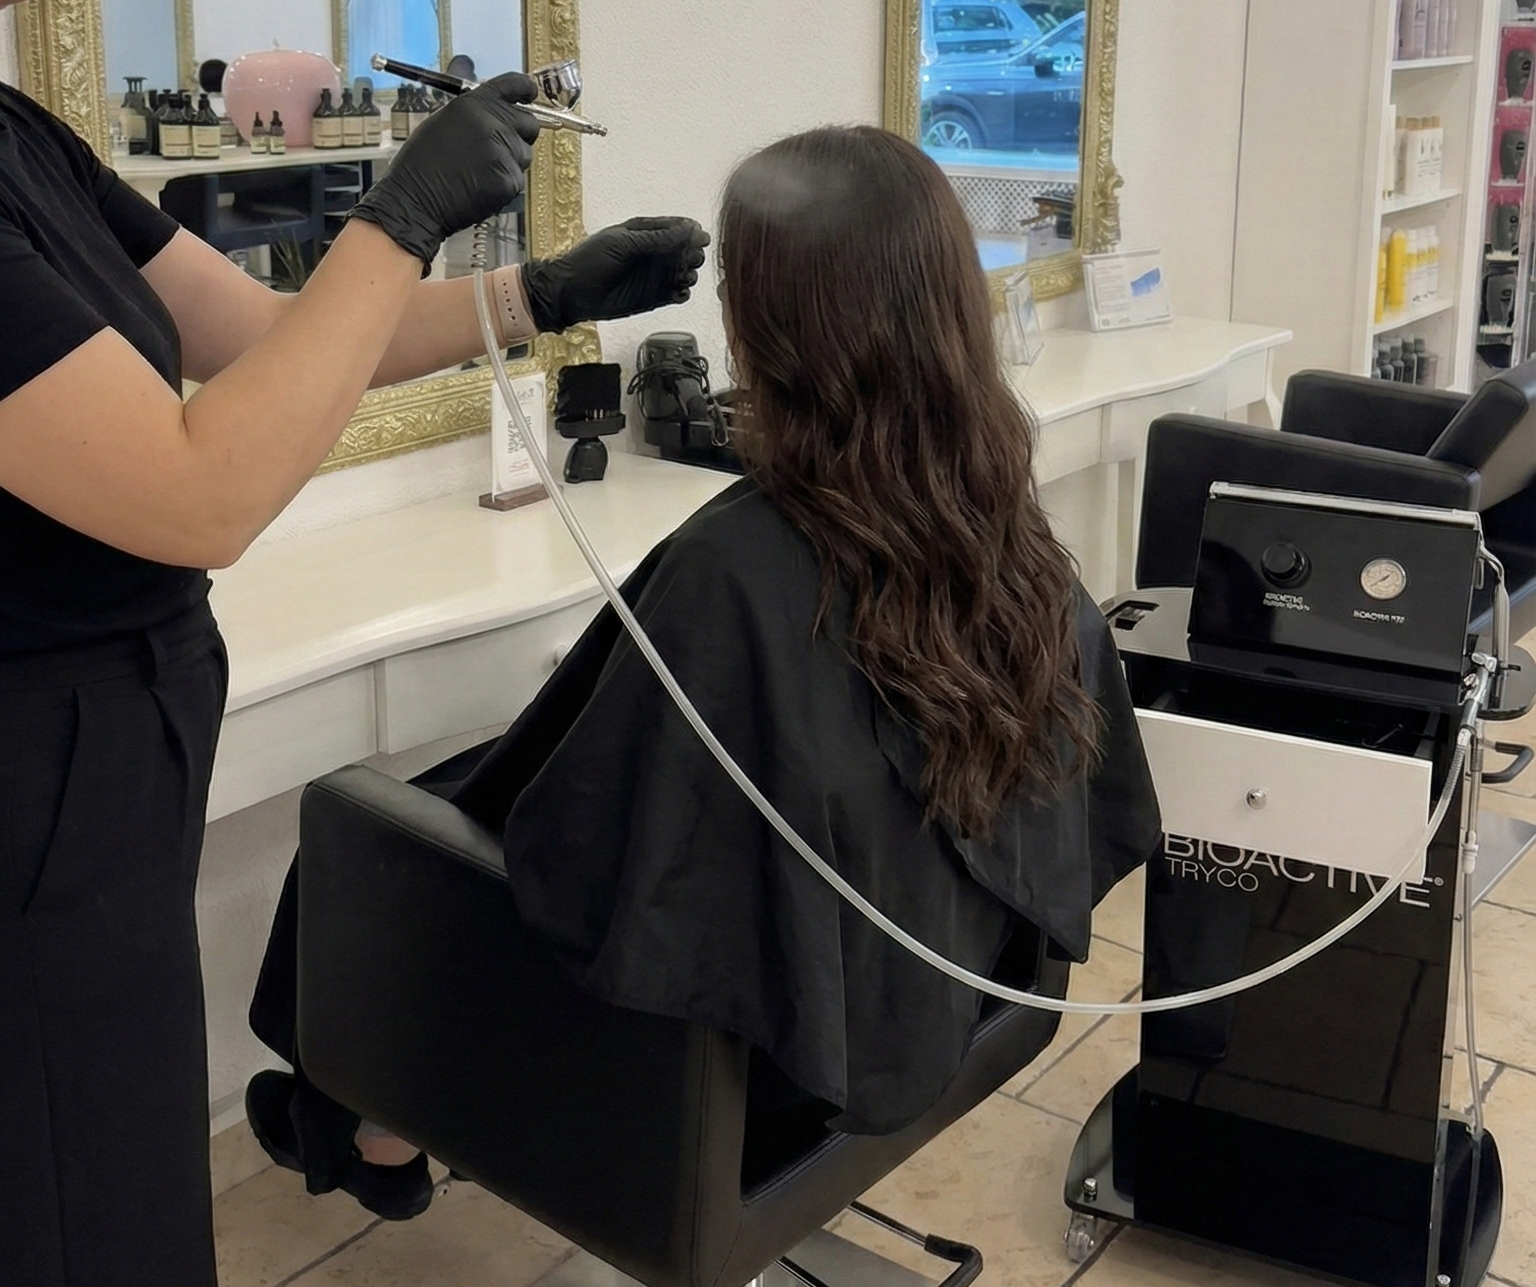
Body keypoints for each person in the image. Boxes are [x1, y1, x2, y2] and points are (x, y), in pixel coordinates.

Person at [0, 0, 708, 1287]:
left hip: (108, 779)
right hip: (30, 801)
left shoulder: (21, 138)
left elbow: (262, 338)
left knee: (116, 1182)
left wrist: (534, 294)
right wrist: (401, 211)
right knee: (68, 1207)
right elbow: (199, 489)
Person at [247, 124, 1160, 1213]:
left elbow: (586, 869)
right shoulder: (993, 516)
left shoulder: (737, 574)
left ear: (760, 326)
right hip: (922, 1010)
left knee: (364, 840)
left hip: (743, 1090)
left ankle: (369, 1128)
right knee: (502, 786)